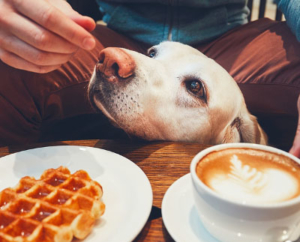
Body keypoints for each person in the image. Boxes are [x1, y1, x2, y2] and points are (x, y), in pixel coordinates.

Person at [0, 0, 299, 154]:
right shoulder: (123, 58)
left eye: (194, 88)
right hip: (122, 32)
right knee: (14, 57)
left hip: (230, 38)